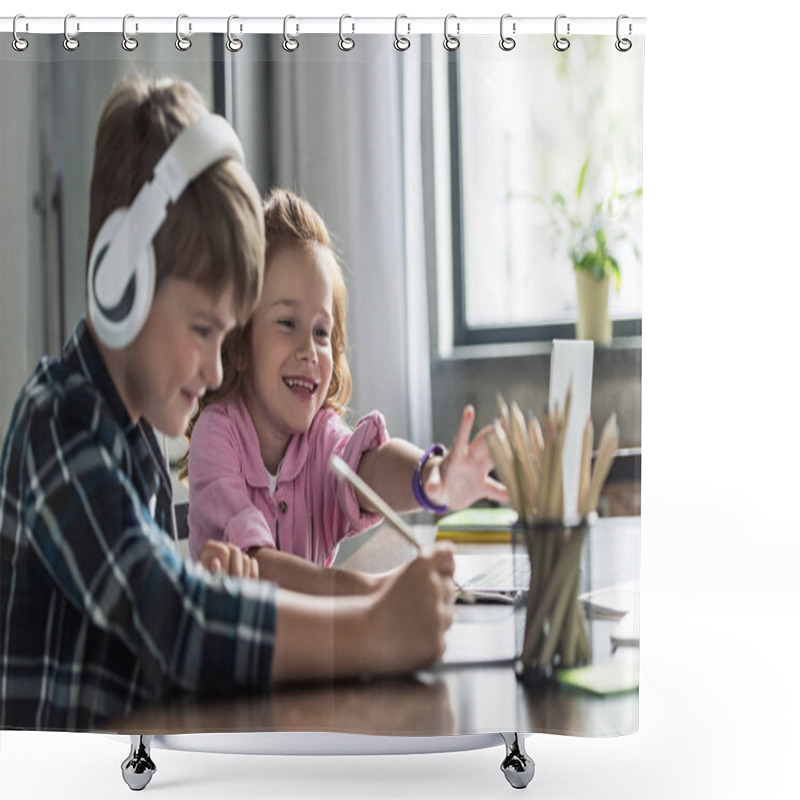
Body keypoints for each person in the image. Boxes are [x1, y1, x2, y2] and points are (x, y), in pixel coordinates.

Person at [0, 76, 455, 732]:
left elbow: (159, 637)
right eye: (204, 329)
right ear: (120, 282)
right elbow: (173, 621)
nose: (218, 369)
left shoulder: (130, 442)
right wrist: (374, 630)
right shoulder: (60, 427)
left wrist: (222, 584)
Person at [183, 188, 508, 595]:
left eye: (321, 332)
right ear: (239, 339)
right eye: (287, 323)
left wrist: (432, 477)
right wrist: (375, 593)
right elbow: (257, 569)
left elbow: (368, 469)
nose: (308, 351)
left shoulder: (319, 436)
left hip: (318, 654)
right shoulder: (215, 435)